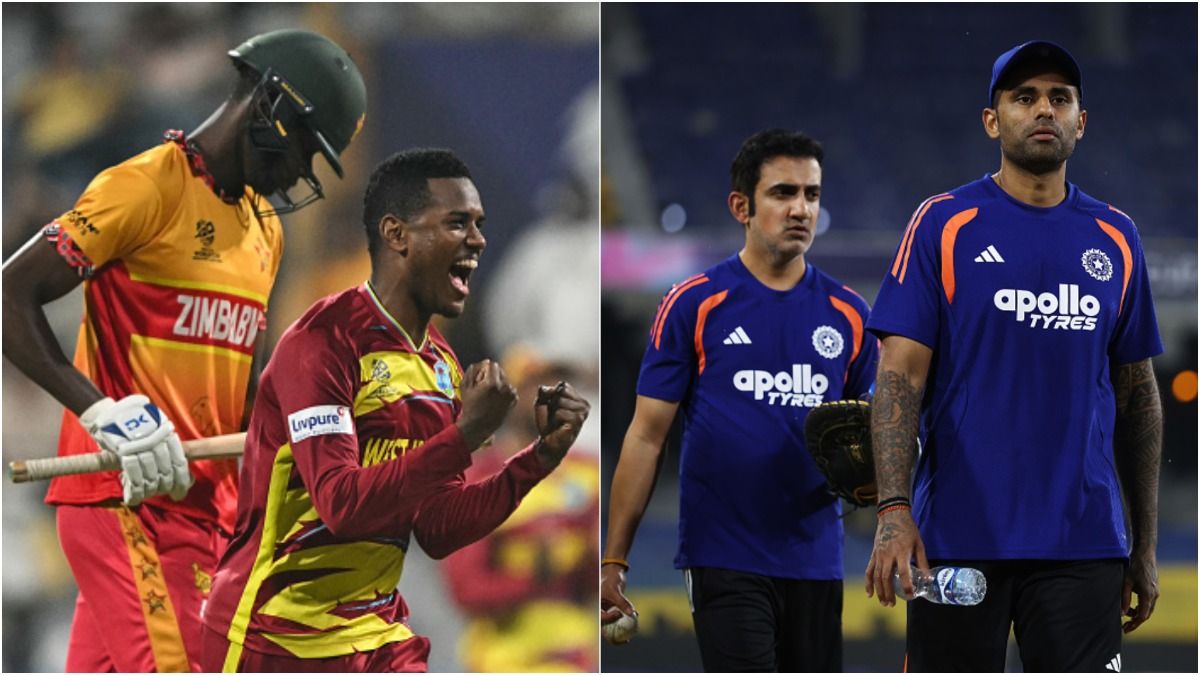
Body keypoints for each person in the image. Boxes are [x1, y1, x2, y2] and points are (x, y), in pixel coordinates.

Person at [1, 29, 367, 672]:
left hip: (206, 511)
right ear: (270, 108)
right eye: (306, 148)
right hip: (125, 499)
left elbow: (245, 384)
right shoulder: (145, 186)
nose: (303, 172)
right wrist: (100, 413)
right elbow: (11, 294)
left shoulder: (266, 232)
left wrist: (314, 423)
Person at [200, 148, 591, 672]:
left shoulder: (442, 367)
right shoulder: (322, 343)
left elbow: (436, 528)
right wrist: (463, 436)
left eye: (478, 225)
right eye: (457, 223)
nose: (477, 240)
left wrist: (536, 460)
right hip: (277, 637)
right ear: (396, 234)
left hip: (373, 633)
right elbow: (340, 504)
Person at [863, 41, 1163, 672]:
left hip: (1084, 544)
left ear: (1082, 120)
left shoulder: (1116, 236)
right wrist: (893, 511)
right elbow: (897, 378)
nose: (1043, 110)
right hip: (957, 541)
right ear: (992, 121)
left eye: (1060, 98)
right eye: (1024, 97)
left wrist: (1145, 545)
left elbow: (1138, 395)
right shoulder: (942, 223)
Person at [601, 129, 879, 672]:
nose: (801, 209)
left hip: (817, 559)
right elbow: (645, 435)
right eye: (783, 193)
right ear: (741, 206)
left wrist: (882, 488)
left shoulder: (849, 314)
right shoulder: (693, 304)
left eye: (811, 194)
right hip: (723, 555)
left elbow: (875, 430)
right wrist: (614, 558)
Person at [440, 349, 599, 672]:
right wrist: (536, 575)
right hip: (504, 658)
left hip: (572, 654)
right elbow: (467, 588)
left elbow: (596, 578)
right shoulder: (480, 477)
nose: (558, 395)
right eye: (541, 386)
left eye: (562, 385)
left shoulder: (589, 474)